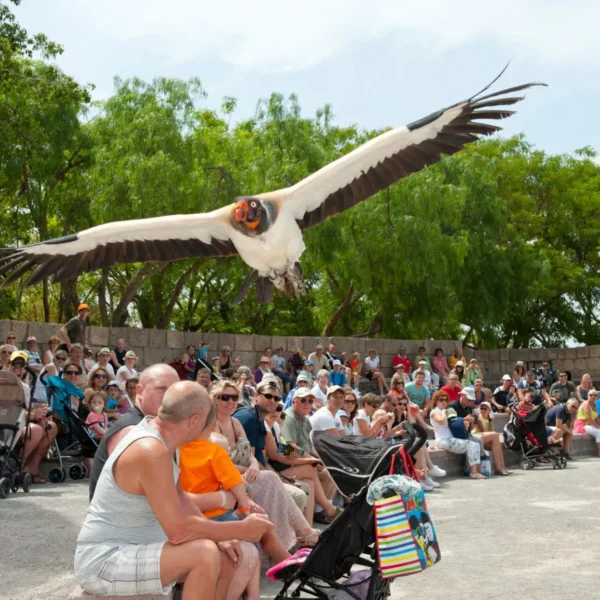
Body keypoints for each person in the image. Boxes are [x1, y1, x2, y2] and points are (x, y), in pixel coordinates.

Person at [76, 379, 273, 600]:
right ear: (194, 420)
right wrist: (240, 529)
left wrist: (222, 536)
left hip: (135, 549)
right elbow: (179, 532)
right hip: (105, 561)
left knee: (225, 555)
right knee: (204, 553)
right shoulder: (150, 449)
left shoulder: (164, 441)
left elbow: (183, 501)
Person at [213, 381, 318, 546]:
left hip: (259, 471)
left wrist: (312, 458)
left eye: (278, 404)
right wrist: (309, 459)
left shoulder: (277, 424)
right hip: (247, 475)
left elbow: (283, 449)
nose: (275, 408)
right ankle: (303, 535)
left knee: (310, 479)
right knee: (297, 487)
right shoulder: (253, 419)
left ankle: (307, 532)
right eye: (225, 397)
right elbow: (276, 454)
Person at [179, 431, 291, 573]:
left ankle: (285, 561)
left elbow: (246, 490)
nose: (224, 459)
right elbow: (243, 492)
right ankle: (285, 564)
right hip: (213, 519)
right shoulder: (210, 468)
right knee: (257, 532)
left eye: (227, 454)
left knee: (262, 525)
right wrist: (244, 508)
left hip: (220, 515)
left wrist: (247, 504)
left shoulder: (218, 471)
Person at [277, 386, 340, 524]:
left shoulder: (305, 420)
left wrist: (320, 459)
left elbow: (310, 446)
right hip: (291, 462)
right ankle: (326, 510)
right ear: (294, 401)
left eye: (310, 401)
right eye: (303, 400)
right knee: (324, 474)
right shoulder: (289, 418)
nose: (307, 404)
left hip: (300, 461)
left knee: (331, 470)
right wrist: (312, 460)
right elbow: (291, 447)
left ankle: (322, 512)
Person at [7, 351, 58, 483]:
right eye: (15, 363)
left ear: (25, 368)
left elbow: (24, 409)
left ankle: (31, 467)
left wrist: (39, 413)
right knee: (35, 430)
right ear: (8, 365)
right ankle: (16, 467)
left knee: (50, 427)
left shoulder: (24, 386)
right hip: (7, 424)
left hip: (19, 423)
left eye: (21, 364)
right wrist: (34, 415)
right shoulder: (3, 384)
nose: (18, 367)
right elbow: (9, 412)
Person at [447, 387, 511, 476]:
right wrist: (465, 419)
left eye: (471, 400)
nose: (470, 402)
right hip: (457, 435)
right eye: (469, 399)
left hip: (467, 434)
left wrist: (474, 421)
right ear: (462, 395)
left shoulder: (468, 408)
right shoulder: (452, 406)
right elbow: (452, 420)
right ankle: (498, 468)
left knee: (496, 440)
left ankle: (501, 467)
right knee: (494, 436)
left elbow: (471, 428)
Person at [429, 391, 486, 480]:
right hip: (443, 440)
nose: (444, 402)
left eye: (446, 400)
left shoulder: (445, 411)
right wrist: (444, 411)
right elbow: (442, 421)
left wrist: (464, 421)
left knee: (476, 443)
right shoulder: (434, 412)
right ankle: (474, 473)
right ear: (436, 401)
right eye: (441, 400)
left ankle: (472, 470)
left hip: (450, 438)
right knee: (472, 445)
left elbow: (454, 422)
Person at [573, 389, 600, 456]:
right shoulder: (586, 404)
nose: (593, 396)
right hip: (582, 425)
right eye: (591, 395)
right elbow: (589, 418)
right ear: (588, 396)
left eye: (595, 395)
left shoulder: (594, 405)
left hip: (590, 425)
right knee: (599, 432)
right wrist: (598, 427)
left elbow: (596, 418)